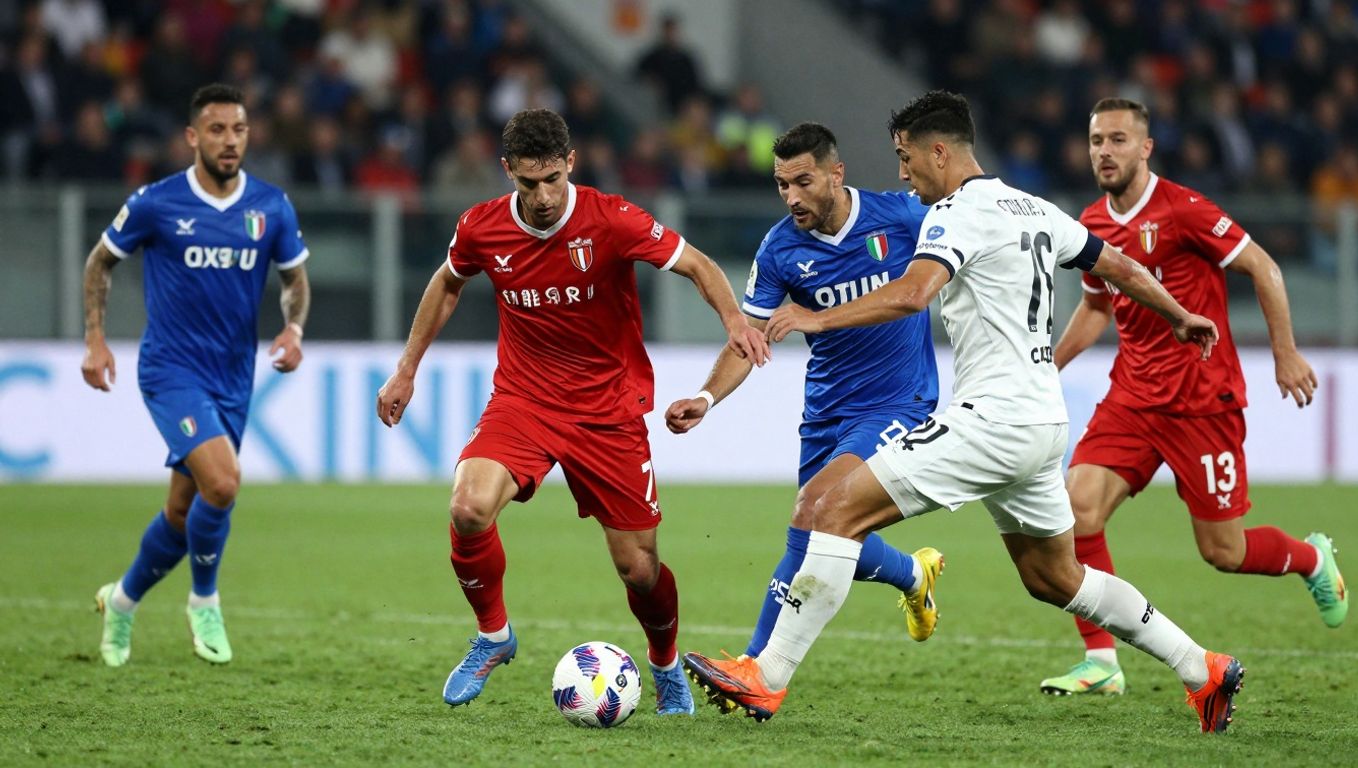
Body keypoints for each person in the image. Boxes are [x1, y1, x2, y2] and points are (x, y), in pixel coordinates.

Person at [683, 91, 1244, 734]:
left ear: (938, 151)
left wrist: (815, 317)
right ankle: (1203, 668)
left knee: (826, 508)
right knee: (1055, 577)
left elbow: (912, 294)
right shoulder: (1032, 207)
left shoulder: (956, 212)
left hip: (994, 419)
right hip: (1042, 424)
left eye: (905, 157)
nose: (901, 173)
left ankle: (766, 676)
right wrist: (1179, 314)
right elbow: (1116, 265)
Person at [375, 108, 768, 715]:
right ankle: (493, 637)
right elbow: (448, 281)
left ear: (571, 164)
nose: (542, 195)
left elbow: (697, 265)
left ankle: (665, 667)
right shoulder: (481, 227)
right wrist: (406, 368)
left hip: (608, 409)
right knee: (468, 505)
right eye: (528, 183)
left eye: (553, 178)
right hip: (524, 400)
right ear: (507, 171)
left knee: (638, 569)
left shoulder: (611, 219)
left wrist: (734, 320)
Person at [1038, 98, 1348, 697]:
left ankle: (1312, 561)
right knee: (1076, 512)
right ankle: (1101, 661)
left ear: (1145, 148)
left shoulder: (1183, 210)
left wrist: (1284, 353)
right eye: (1097, 139)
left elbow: (1264, 267)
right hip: (1132, 398)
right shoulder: (1092, 223)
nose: (1105, 150)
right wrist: (1049, 364)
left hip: (1203, 402)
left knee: (1224, 552)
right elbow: (1097, 307)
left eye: (1119, 140)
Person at [664, 122, 944, 657]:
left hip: (896, 402)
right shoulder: (778, 250)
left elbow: (960, 255)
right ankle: (913, 574)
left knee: (813, 509)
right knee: (827, 533)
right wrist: (705, 397)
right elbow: (747, 337)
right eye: (781, 185)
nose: (792, 196)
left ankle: (755, 664)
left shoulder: (902, 217)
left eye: (804, 181)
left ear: (837, 175)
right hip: (825, 414)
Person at [84, 83, 312, 667]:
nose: (229, 140)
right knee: (225, 484)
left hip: (233, 376)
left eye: (238, 129)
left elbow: (294, 279)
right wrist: (94, 339)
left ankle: (123, 603)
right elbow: (100, 262)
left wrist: (293, 330)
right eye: (216, 130)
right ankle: (204, 599)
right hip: (170, 370)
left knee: (184, 512)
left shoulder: (271, 207)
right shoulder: (155, 203)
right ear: (192, 137)